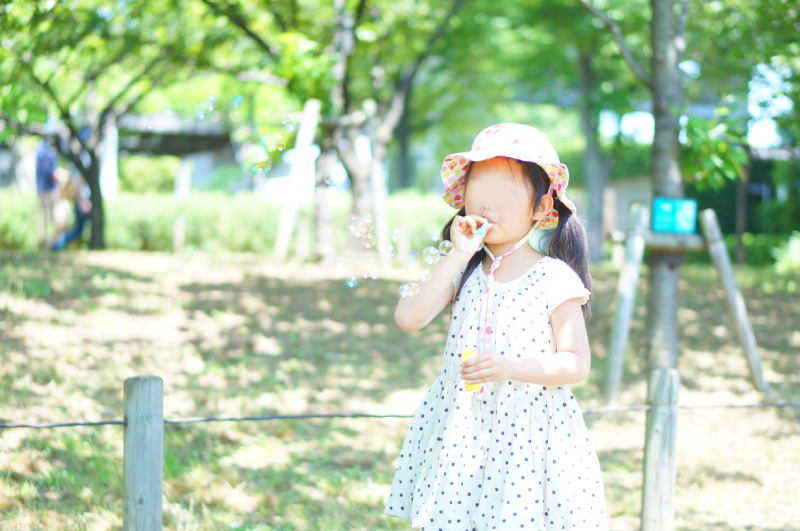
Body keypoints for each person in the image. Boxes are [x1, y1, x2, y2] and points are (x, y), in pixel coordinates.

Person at [384, 123, 608, 530]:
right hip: (461, 427)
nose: (486, 204)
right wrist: (457, 253)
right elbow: (409, 318)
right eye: (477, 188)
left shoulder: (553, 278)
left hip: (527, 432)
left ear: (542, 208)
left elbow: (575, 364)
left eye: (504, 192)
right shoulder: (464, 270)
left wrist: (510, 367)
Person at [35, 137, 60, 248]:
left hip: (43, 189)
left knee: (45, 219)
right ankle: (47, 245)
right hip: (47, 190)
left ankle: (46, 244)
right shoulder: (47, 151)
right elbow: (49, 172)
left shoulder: (40, 148)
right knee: (48, 220)